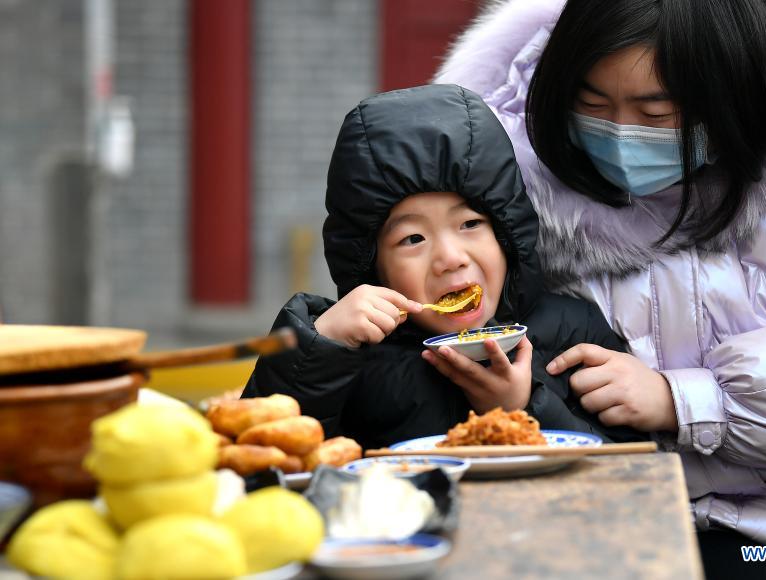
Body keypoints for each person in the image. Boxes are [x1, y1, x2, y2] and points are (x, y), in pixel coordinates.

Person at [434, 0, 766, 578]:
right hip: (597, 522)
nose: (623, 134)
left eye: (655, 114)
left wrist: (683, 402)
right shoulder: (511, 197)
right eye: (594, 104)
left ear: (730, 94)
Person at [243, 84, 642, 451]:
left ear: (508, 235)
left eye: (470, 224)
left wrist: (521, 407)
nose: (451, 257)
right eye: (412, 239)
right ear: (372, 266)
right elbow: (265, 458)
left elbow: (632, 464)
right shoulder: (351, 351)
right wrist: (321, 346)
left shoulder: (574, 330)